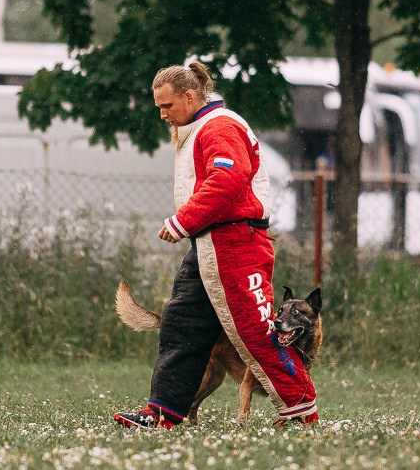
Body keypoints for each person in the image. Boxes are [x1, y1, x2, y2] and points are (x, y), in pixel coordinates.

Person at [114, 62, 319, 429]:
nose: (162, 114)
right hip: (210, 244)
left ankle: (302, 410)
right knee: (181, 323)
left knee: (258, 332)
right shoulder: (198, 128)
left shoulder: (220, 126)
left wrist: (182, 221)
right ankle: (163, 414)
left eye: (167, 106)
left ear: (189, 97)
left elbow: (227, 181)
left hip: (236, 243)